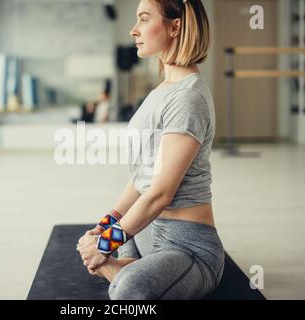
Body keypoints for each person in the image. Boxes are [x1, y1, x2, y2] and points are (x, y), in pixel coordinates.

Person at [77, 0, 224, 300]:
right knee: (110, 247)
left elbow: (160, 193)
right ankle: (122, 267)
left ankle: (120, 272)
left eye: (144, 19)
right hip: (147, 231)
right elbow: (141, 177)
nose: (134, 30)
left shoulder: (187, 98)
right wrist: (103, 227)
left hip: (187, 248)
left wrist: (103, 248)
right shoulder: (162, 91)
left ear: (176, 26)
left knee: (130, 290)